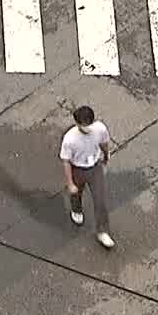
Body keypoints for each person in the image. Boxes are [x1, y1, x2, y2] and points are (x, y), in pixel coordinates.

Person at [60, 105, 116, 249]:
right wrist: (70, 183)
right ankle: (76, 209)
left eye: (88, 124)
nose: (87, 128)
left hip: (95, 167)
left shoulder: (100, 129)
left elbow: (103, 142)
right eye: (83, 125)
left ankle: (102, 231)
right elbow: (66, 161)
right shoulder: (69, 139)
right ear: (77, 123)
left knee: (100, 200)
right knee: (76, 193)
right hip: (77, 169)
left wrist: (106, 155)